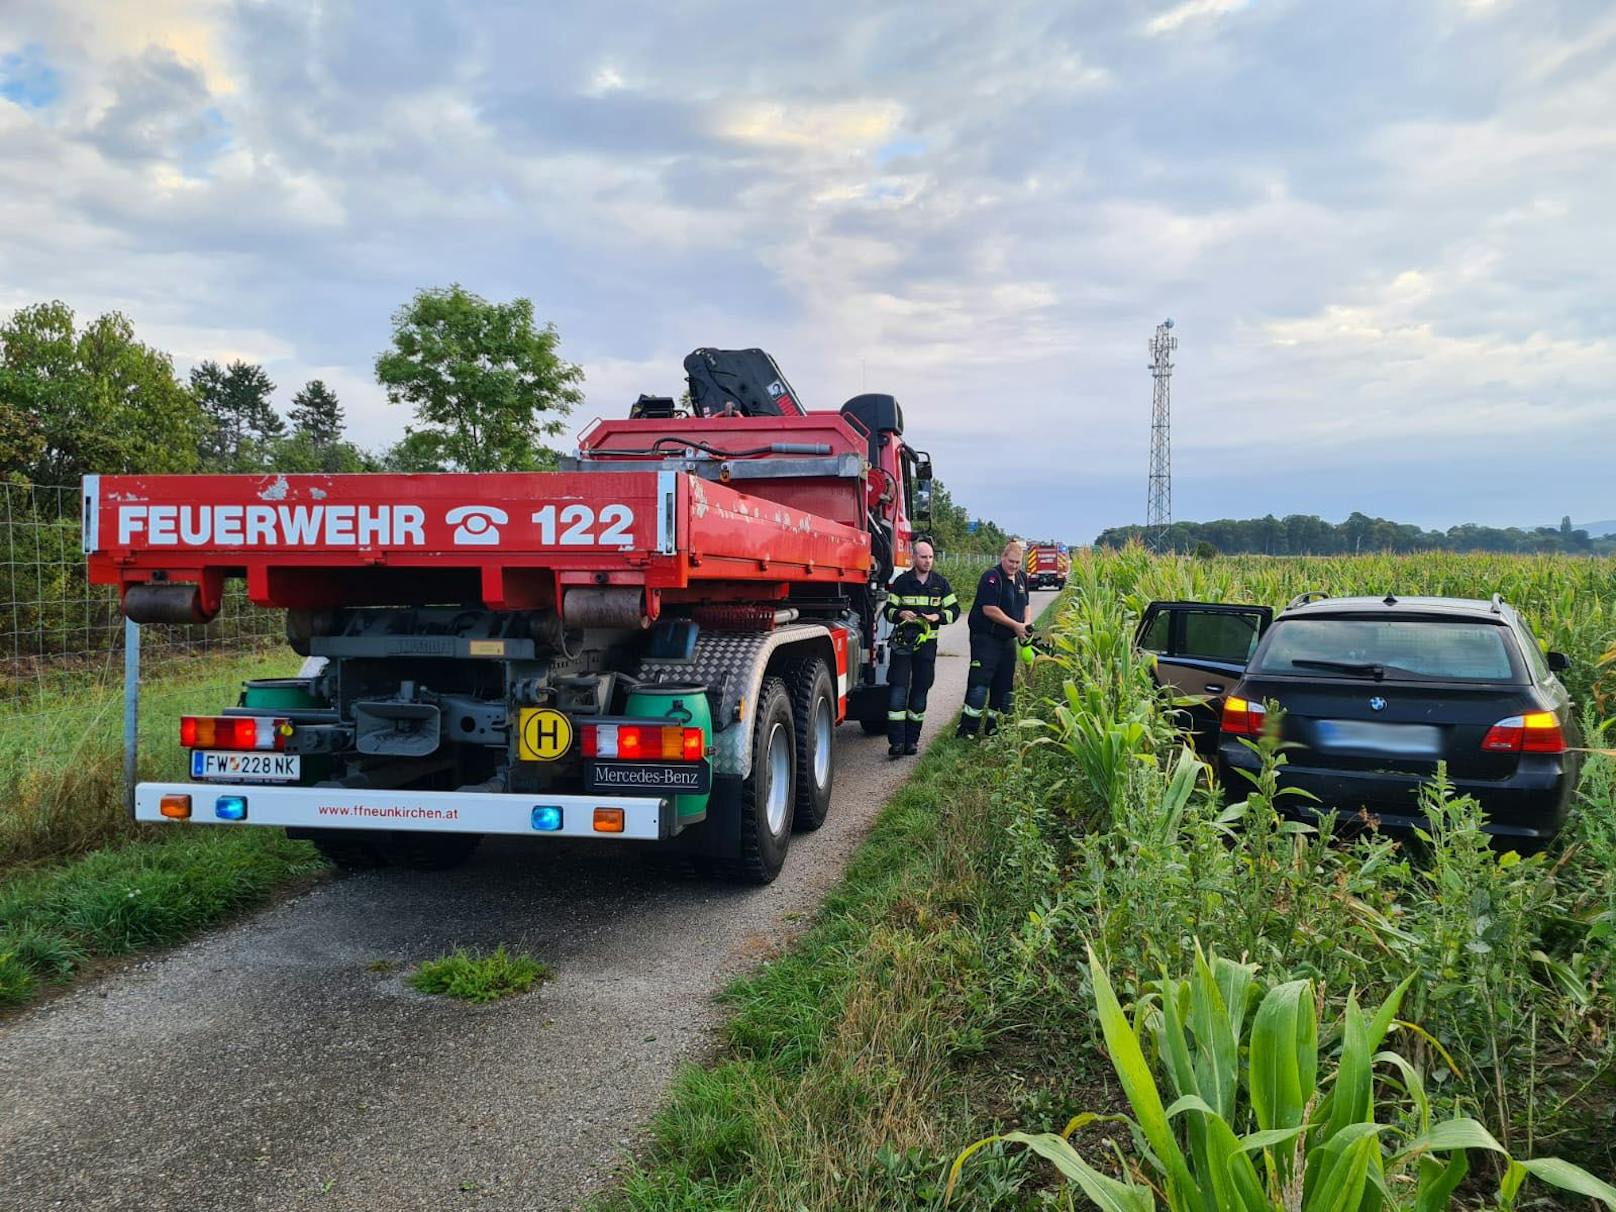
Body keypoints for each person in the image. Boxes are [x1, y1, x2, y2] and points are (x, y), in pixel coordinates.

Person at [882, 540, 960, 758]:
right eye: (924, 557)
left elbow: (955, 609)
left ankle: (912, 741)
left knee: (920, 691)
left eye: (931, 557)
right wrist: (900, 614)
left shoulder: (940, 584)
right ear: (914, 558)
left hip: (927, 648)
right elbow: (888, 610)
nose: (928, 561)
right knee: (898, 690)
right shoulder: (901, 582)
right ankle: (896, 743)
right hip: (902, 646)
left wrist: (939, 616)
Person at [957, 539, 1032, 738]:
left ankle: (995, 727)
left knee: (1004, 685)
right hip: (986, 638)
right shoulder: (992, 578)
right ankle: (967, 729)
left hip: (1007, 641)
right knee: (980, 684)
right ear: (1003, 558)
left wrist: (1026, 624)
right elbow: (989, 609)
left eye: (1017, 563)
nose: (1014, 566)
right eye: (1011, 562)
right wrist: (1015, 625)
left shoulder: (1022, 578)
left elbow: (1026, 605)